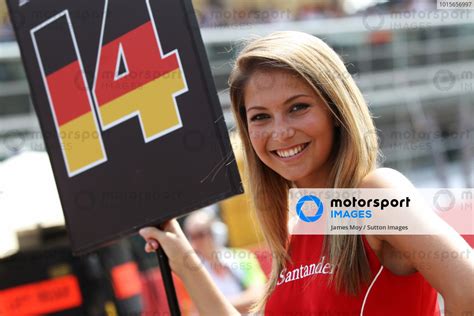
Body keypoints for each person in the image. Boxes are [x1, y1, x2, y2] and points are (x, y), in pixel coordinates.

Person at [139, 31, 474, 315]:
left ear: (335, 109)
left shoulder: (371, 196)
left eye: (297, 107)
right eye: (260, 117)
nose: (280, 132)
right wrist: (183, 260)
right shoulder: (302, 221)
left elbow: (468, 288)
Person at [183, 209, 266, 314]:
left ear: (216, 232)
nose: (197, 241)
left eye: (201, 234)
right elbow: (197, 311)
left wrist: (215, 307)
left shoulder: (243, 258)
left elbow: (258, 296)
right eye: (193, 236)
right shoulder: (193, 271)